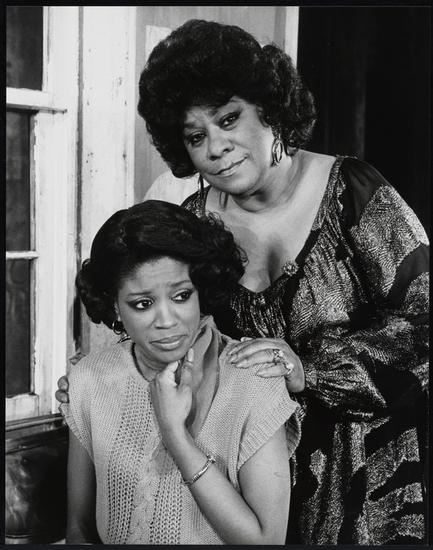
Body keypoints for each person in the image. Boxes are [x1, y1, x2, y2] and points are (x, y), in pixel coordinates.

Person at [58, 19, 429, 544]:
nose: (216, 147)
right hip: (245, 477)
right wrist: (100, 379)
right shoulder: (194, 221)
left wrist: (311, 371)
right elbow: (170, 324)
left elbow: (425, 326)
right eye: (196, 136)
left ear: (270, 110)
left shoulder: (354, 192)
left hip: (367, 477)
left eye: (229, 119)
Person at [60, 199, 300, 545]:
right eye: (143, 304)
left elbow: (266, 541)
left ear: (201, 289)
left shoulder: (254, 382)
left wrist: (176, 437)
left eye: (181, 296)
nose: (167, 320)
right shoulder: (89, 380)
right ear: (114, 305)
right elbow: (78, 529)